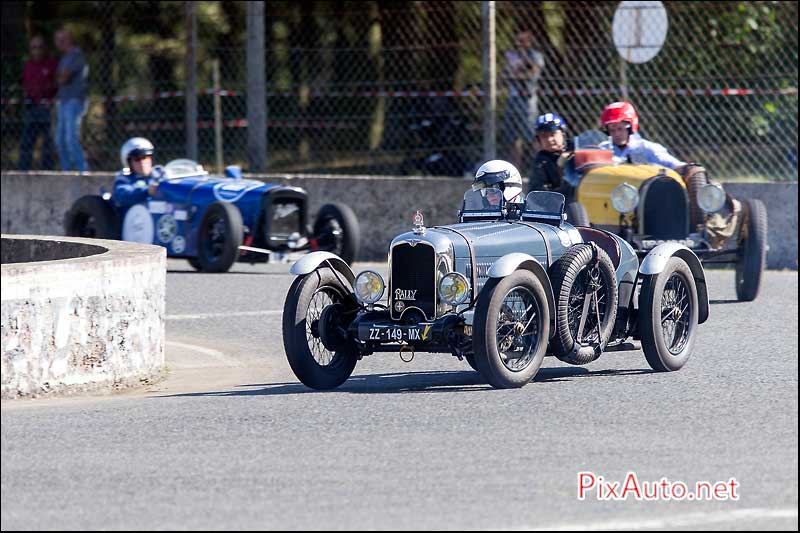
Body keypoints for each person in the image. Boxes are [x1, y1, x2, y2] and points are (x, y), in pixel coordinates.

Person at [501, 30, 546, 171]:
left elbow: (533, 73)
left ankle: (541, 167)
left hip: (527, 100)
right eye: (517, 41)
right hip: (512, 98)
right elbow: (504, 74)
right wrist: (513, 74)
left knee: (532, 135)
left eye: (522, 41)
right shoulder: (512, 56)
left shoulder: (535, 56)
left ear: (529, 42)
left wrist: (516, 74)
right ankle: (515, 169)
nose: (518, 44)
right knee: (513, 138)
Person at [598, 101, 685, 169]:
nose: (616, 134)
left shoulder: (647, 149)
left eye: (621, 128)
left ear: (630, 127)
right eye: (612, 130)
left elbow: (674, 165)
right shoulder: (602, 150)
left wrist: (688, 169)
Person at [18, 35, 58, 170]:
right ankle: (23, 171)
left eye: (40, 47)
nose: (37, 50)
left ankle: (47, 171)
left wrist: (51, 102)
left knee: (48, 143)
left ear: (45, 48)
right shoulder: (28, 65)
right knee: (26, 141)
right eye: (34, 47)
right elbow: (24, 84)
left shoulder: (52, 64)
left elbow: (57, 85)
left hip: (47, 108)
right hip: (32, 107)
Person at [54, 28, 89, 171]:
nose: (59, 42)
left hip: (74, 101)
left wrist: (59, 77)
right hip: (63, 101)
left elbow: (62, 78)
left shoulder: (76, 55)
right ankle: (66, 171)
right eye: (57, 39)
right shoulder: (64, 57)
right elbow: (59, 78)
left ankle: (83, 171)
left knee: (70, 139)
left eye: (63, 39)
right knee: (60, 140)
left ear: (70, 39)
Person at [529, 112, 574, 199]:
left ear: (563, 134)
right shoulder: (542, 161)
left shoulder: (575, 147)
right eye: (544, 136)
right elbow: (537, 192)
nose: (549, 139)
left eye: (553, 134)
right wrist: (560, 167)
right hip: (562, 203)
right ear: (539, 140)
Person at [113, 137, 165, 209]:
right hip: (136, 217)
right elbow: (122, 196)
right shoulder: (125, 178)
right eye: (137, 159)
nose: (142, 162)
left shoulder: (160, 174)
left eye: (145, 157)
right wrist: (147, 191)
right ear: (129, 162)